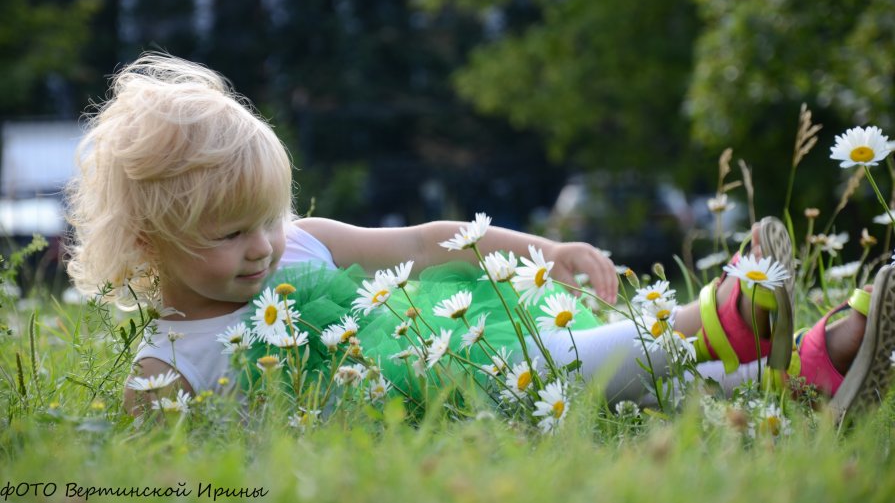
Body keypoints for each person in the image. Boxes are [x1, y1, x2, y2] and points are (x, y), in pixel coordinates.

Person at [64, 53, 895, 422]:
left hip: (445, 342)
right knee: (519, 372)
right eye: (228, 233)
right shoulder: (161, 364)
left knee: (538, 342)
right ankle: (715, 325)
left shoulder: (300, 246)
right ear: (148, 244)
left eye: (265, 221)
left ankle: (812, 358)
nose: (260, 248)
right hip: (425, 403)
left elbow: (432, 244)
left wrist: (549, 251)